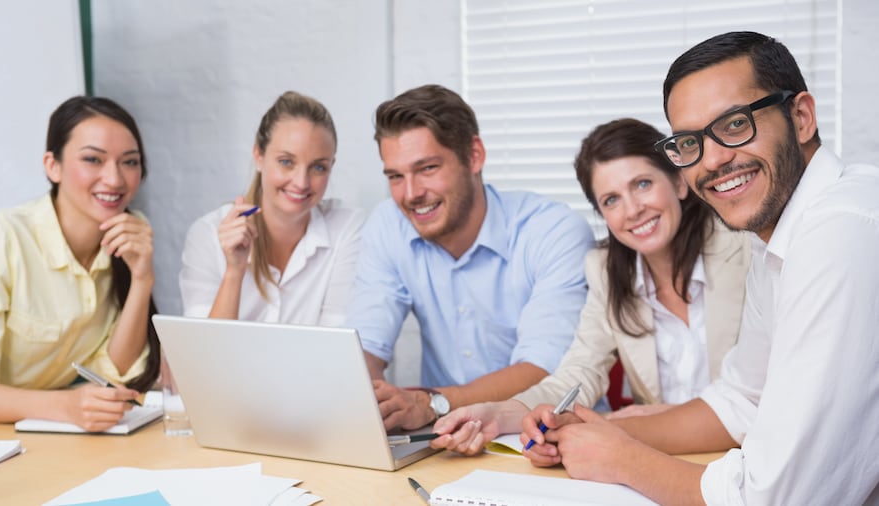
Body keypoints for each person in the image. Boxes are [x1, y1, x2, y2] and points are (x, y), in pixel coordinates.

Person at [521, 31, 879, 505]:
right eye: (691, 142)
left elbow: (777, 497)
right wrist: (601, 430)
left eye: (734, 125)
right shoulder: (779, 236)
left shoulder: (839, 232)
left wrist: (624, 459)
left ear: (801, 117)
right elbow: (741, 399)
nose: (713, 160)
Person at [430, 118, 750, 455]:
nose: (633, 209)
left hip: (756, 457)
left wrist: (668, 417)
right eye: (611, 200)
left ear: (679, 182)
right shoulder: (606, 272)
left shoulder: (745, 249)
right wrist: (497, 414)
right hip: (662, 458)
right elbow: (577, 375)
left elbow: (775, 390)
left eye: (642, 184)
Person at [345, 84, 596, 431]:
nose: (411, 193)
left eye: (428, 168)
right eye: (395, 177)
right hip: (444, 440)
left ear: (474, 155)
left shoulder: (553, 231)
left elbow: (544, 367)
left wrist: (432, 404)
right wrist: (364, 399)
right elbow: (364, 350)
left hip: (548, 433)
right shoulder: (388, 226)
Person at [0, 96, 160, 432]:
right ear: (53, 166)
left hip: (45, 440)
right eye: (93, 159)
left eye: (129, 162)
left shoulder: (127, 239)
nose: (115, 179)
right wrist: (64, 406)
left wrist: (143, 279)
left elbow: (115, 370)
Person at [179, 91, 363, 326]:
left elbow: (339, 343)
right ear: (259, 156)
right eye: (286, 162)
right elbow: (202, 356)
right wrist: (234, 272)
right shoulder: (207, 234)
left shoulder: (345, 228)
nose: (301, 182)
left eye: (318, 167)